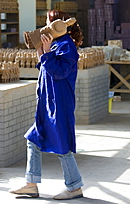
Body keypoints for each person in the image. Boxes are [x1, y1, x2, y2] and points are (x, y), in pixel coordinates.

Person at [9, 10, 84, 200]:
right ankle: (31, 184)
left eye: (48, 23)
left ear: (58, 25)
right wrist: (40, 50)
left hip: (59, 103)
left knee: (62, 144)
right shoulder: (56, 44)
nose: (45, 27)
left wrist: (48, 51)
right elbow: (44, 66)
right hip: (47, 102)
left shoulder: (67, 46)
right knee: (33, 139)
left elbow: (58, 73)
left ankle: (74, 187)